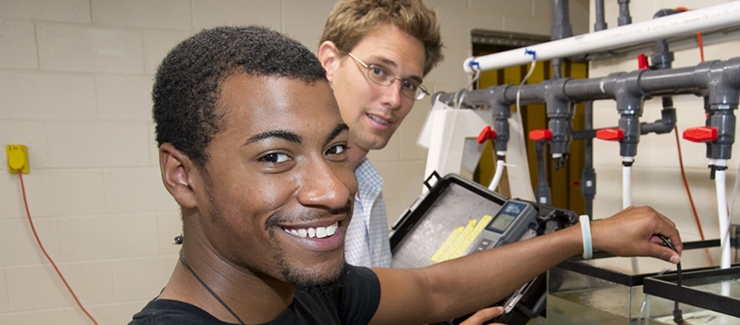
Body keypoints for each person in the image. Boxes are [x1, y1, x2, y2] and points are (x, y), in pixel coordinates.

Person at [131, 26, 681, 325]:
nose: (333, 189)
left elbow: (432, 287)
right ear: (182, 175)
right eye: (276, 156)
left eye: (336, 148)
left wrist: (588, 235)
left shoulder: (307, 293)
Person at [317, 0, 443, 268]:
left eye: (408, 84)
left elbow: (373, 303)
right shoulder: (299, 192)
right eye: (378, 70)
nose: (395, 99)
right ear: (329, 62)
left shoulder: (367, 186)